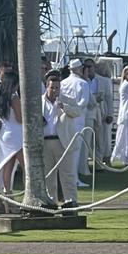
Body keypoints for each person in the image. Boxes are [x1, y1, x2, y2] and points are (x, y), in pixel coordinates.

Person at [42, 75, 80, 205]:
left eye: (57, 88)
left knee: (67, 174)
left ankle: (71, 201)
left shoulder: (67, 100)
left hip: (63, 142)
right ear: (47, 86)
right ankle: (51, 202)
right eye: (52, 87)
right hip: (45, 142)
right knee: (48, 175)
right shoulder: (39, 101)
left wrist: (64, 107)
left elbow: (77, 112)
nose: (54, 90)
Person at [0, 72, 23, 212]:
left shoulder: (0, 97)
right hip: (16, 134)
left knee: (7, 166)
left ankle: (7, 195)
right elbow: (20, 118)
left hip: (5, 133)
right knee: (25, 166)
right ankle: (27, 194)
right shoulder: (14, 97)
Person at [60, 59, 90, 187]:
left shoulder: (62, 83)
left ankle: (67, 178)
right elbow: (83, 103)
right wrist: (73, 107)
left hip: (63, 119)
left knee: (65, 149)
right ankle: (74, 179)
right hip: (77, 119)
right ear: (79, 69)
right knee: (75, 151)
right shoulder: (83, 83)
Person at [84, 58, 114, 164]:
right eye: (85, 67)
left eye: (90, 66)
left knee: (102, 139)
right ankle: (87, 162)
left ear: (94, 67)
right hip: (87, 114)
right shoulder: (82, 81)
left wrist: (110, 114)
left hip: (102, 113)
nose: (88, 69)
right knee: (88, 139)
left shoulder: (104, 81)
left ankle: (100, 161)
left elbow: (109, 99)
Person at [111, 66, 128, 164]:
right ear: (125, 75)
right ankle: (124, 158)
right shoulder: (127, 85)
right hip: (127, 115)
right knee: (126, 139)